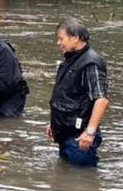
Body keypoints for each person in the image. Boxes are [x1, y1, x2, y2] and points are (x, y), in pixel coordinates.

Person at [46, 17, 110, 167]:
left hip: (80, 138)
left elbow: (101, 99)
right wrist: (54, 123)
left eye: (61, 39)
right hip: (65, 133)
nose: (58, 43)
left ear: (75, 38)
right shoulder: (70, 60)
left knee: (82, 182)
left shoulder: (91, 63)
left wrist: (90, 132)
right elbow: (64, 96)